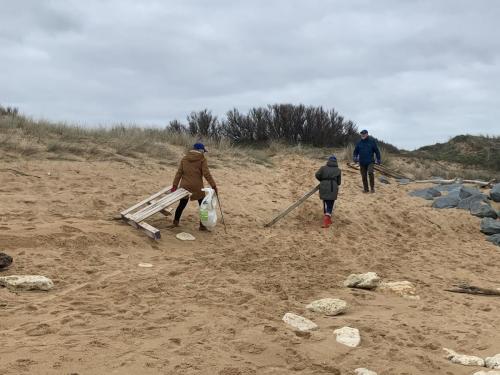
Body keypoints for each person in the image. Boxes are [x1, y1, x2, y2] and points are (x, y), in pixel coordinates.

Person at [171, 142, 217, 231]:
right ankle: (202, 226)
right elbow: (207, 174)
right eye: (203, 151)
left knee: (182, 204)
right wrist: (213, 185)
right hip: (197, 186)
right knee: (203, 206)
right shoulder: (202, 159)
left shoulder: (185, 158)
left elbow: (179, 173)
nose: (204, 153)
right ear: (201, 150)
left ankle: (175, 222)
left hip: (185, 186)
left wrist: (175, 185)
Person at [315, 155, 342, 228]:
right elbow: (339, 182)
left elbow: (317, 175)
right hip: (333, 187)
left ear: (328, 161)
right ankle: (327, 219)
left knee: (325, 202)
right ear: (336, 162)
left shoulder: (323, 168)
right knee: (330, 203)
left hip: (324, 186)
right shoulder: (338, 170)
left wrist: (322, 180)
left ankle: (327, 218)